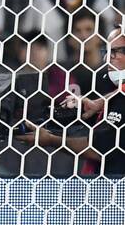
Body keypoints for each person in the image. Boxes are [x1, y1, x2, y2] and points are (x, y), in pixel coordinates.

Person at [19, 28, 125, 177]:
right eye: (107, 51)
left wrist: (51, 139)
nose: (107, 58)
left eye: (115, 51)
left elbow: (97, 150)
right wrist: (101, 101)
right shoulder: (117, 93)